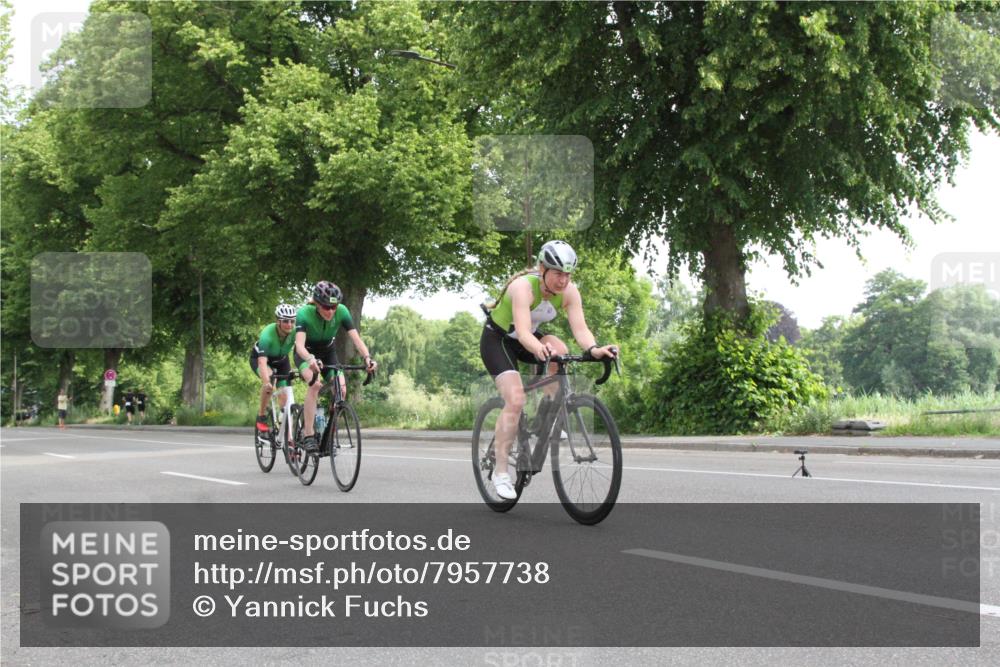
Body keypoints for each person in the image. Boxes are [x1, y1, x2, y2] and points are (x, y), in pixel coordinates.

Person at [480, 240, 618, 500]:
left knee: (559, 348)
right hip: (499, 340)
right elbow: (521, 332)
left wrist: (595, 349)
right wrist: (539, 349)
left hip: (528, 337)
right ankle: (500, 472)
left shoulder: (570, 292)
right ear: (542, 268)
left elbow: (580, 329)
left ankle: (546, 418)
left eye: (567, 274)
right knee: (516, 398)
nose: (563, 280)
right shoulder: (523, 287)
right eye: (557, 273)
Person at [294, 281, 377, 452]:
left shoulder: (342, 312)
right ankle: (308, 435)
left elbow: (356, 339)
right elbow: (299, 346)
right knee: (315, 385)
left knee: (341, 390)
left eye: (334, 306)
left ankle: (328, 432)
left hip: (328, 352)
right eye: (326, 307)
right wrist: (310, 360)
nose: (331, 311)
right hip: (306, 354)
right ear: (316, 303)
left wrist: (367, 358)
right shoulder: (304, 313)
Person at [251, 303, 298, 444]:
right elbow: (262, 363)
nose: (289, 324)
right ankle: (262, 417)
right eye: (285, 321)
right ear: (278, 321)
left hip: (282, 361)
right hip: (262, 360)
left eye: (292, 321)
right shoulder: (267, 334)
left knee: (285, 398)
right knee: (270, 383)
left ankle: (284, 428)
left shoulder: (295, 332)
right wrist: (267, 382)